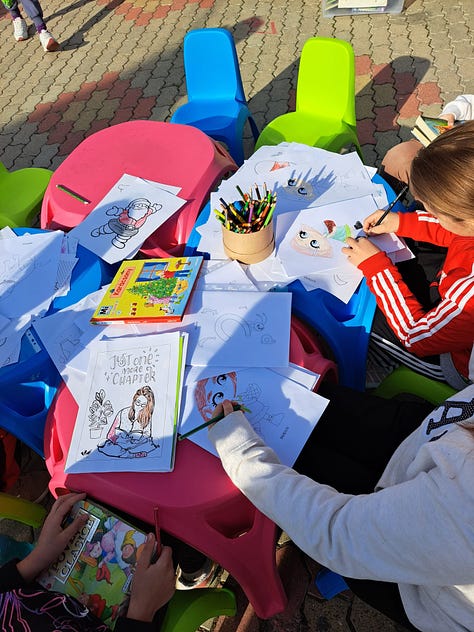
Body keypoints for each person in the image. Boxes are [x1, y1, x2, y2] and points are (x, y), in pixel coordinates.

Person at [208, 389, 474, 632]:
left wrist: (239, 451)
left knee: (298, 462)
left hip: (414, 585)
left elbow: (336, 533)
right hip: (430, 438)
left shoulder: (462, 514)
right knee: (312, 410)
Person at [342, 121, 474, 388]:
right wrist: (400, 223)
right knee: (405, 259)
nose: (424, 210)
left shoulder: (469, 297)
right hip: (449, 305)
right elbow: (455, 233)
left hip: (451, 362)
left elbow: (416, 337)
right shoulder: (467, 225)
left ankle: (373, 371)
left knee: (359, 322)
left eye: (433, 210)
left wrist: (377, 268)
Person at [0, 492, 176, 631]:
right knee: (173, 536)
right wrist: (141, 612)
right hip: (135, 618)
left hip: (49, 588)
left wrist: (37, 557)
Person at [380, 94, 474, 190]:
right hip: (445, 143)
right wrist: (450, 113)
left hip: (462, 173)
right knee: (398, 157)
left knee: (433, 192)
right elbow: (468, 102)